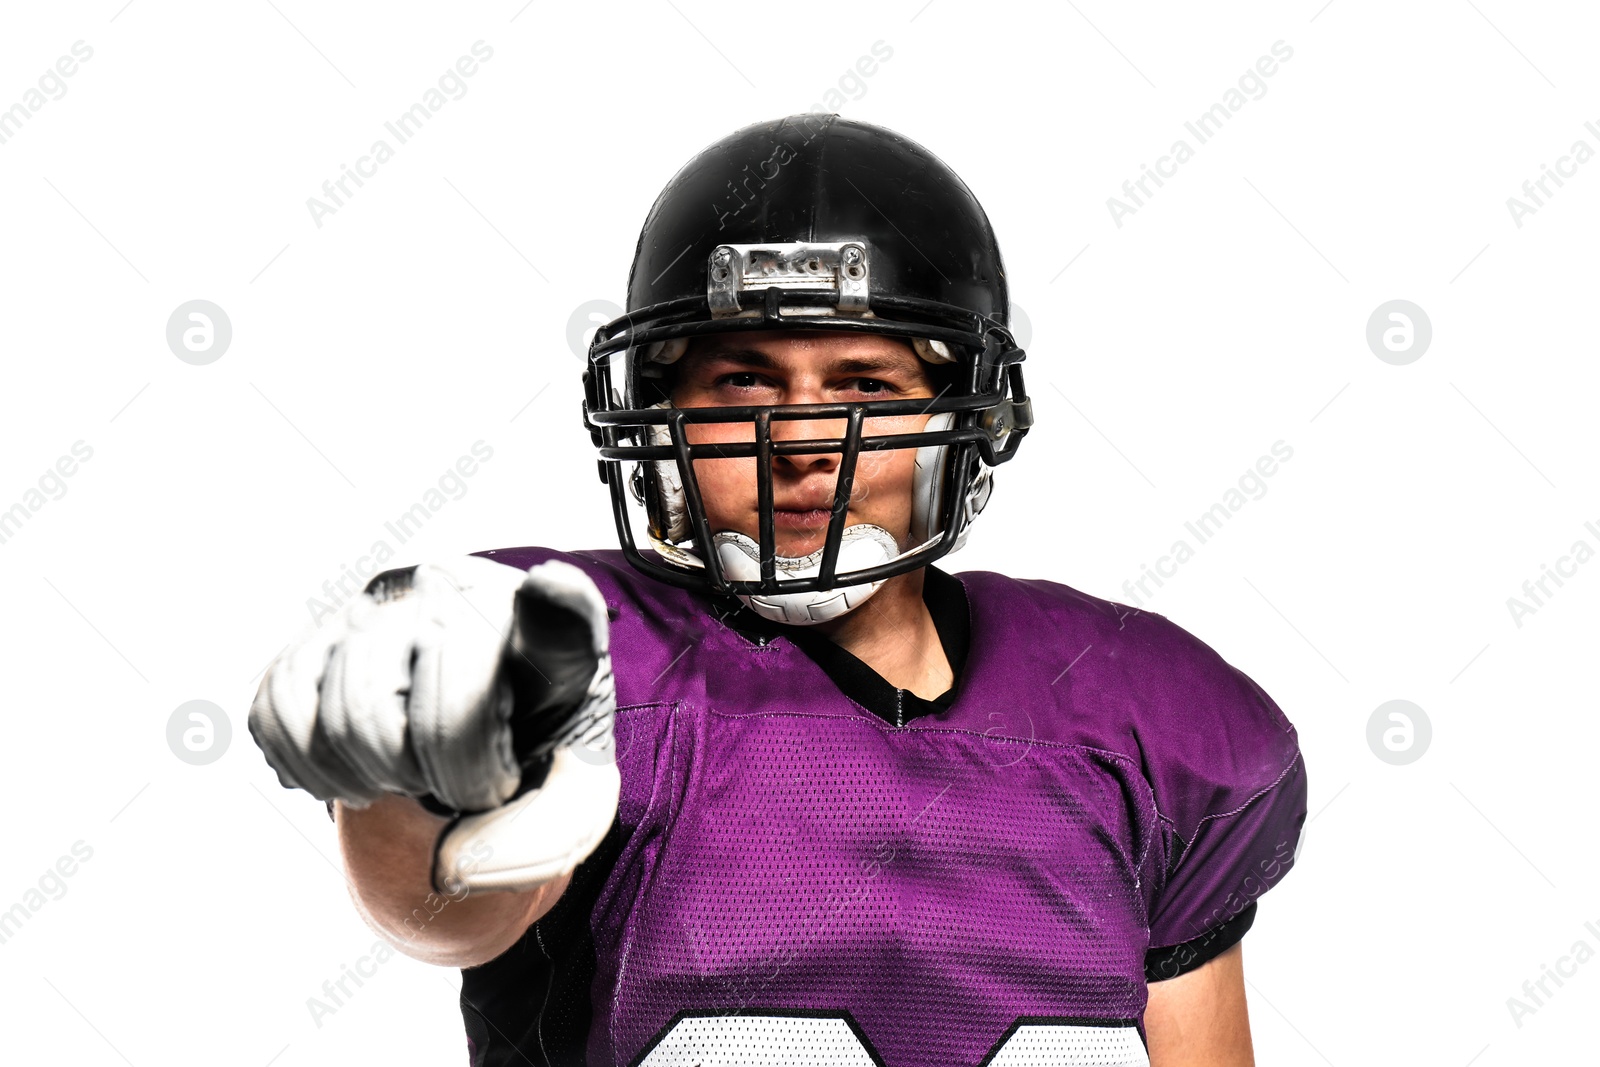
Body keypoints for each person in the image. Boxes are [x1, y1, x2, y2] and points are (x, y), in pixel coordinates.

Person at [249, 114, 1307, 1067]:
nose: (801, 441)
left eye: (864, 385)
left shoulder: (1139, 714)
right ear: (661, 410)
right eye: (743, 381)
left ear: (963, 414)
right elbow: (448, 904)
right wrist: (417, 783)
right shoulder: (584, 650)